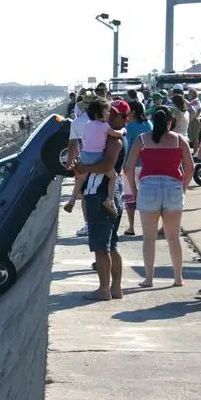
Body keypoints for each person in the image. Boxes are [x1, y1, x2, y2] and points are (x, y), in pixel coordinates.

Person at [125, 108, 193, 288]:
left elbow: (128, 167)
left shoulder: (142, 140)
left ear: (153, 121)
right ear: (170, 122)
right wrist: (183, 187)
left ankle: (148, 278)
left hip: (148, 187)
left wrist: (134, 189)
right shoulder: (179, 140)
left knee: (149, 238)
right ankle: (178, 278)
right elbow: (190, 167)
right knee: (173, 237)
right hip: (173, 187)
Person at [72, 105, 128, 301]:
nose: (108, 117)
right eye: (108, 113)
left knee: (101, 248)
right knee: (111, 246)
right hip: (109, 194)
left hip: (99, 195)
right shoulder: (110, 136)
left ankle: (104, 290)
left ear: (122, 118)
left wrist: (84, 166)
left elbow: (106, 165)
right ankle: (115, 288)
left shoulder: (115, 141)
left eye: (112, 114)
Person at [64, 98, 127, 217]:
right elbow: (115, 134)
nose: (109, 114)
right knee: (113, 177)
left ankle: (72, 199)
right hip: (96, 156)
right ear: (98, 114)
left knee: (81, 178)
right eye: (107, 111)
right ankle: (110, 201)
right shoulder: (104, 126)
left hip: (85, 154)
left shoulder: (87, 124)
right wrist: (123, 130)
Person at [121, 101, 153, 236]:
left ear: (132, 112)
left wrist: (123, 166)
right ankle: (149, 227)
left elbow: (127, 147)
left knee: (130, 197)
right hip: (147, 165)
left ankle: (132, 227)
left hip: (132, 165)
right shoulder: (149, 124)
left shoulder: (130, 126)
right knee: (147, 197)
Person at [67, 90, 93, 237]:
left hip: (84, 159)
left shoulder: (77, 122)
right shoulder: (102, 120)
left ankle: (88, 224)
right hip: (103, 159)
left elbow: (72, 144)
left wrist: (69, 162)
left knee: (84, 194)